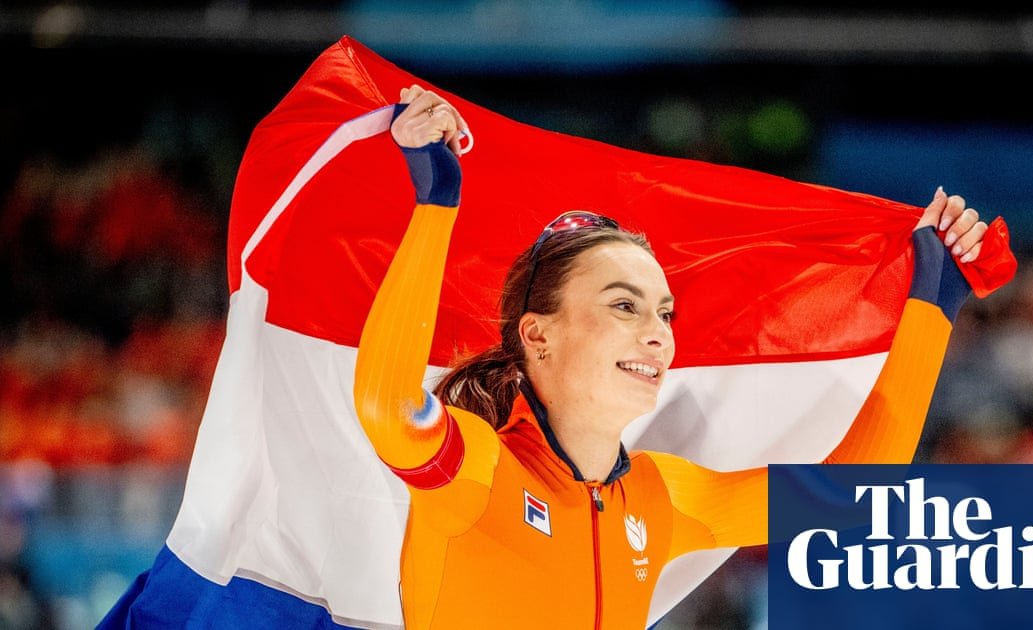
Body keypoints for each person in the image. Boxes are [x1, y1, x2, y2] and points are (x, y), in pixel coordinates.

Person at [354, 84, 994, 629]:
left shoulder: (658, 497)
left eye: (665, 313)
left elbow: (843, 494)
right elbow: (388, 405)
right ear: (538, 334)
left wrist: (934, 300)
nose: (658, 335)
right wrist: (435, 204)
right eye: (624, 306)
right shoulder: (480, 472)